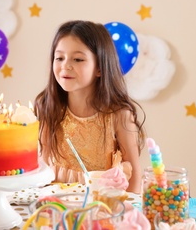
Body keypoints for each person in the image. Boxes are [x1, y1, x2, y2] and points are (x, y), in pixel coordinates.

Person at [34, 20, 146, 193]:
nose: (66, 65)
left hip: (102, 206)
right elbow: (42, 165)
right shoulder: (48, 107)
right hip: (57, 205)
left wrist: (129, 212)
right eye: (59, 58)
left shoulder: (118, 114)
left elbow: (135, 172)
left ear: (100, 68)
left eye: (78, 59)